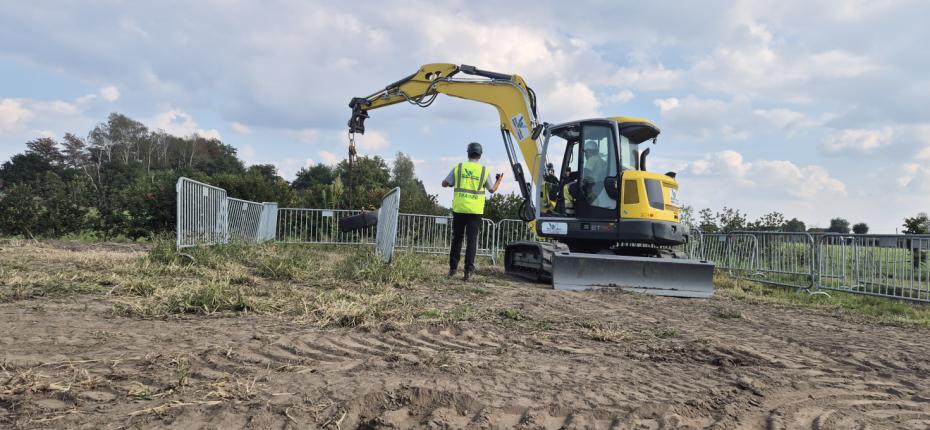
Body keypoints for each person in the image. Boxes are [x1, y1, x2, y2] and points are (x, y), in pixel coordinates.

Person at [441, 142, 504, 281]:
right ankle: (468, 272)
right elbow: (492, 190)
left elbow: (445, 183)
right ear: (480, 155)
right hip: (475, 211)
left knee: (457, 239)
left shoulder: (459, 167)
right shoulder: (483, 171)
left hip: (459, 209)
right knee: (472, 241)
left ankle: (452, 269)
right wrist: (499, 180)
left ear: (468, 153)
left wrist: (448, 183)